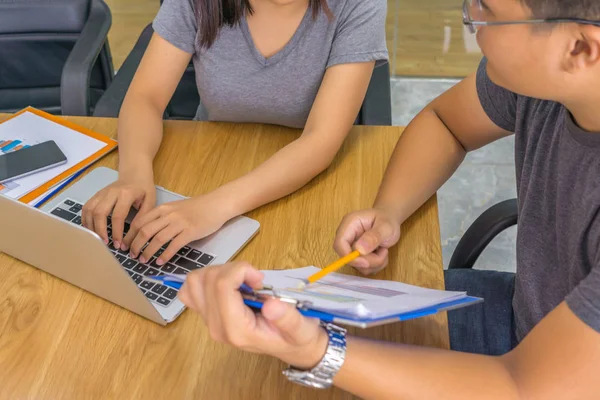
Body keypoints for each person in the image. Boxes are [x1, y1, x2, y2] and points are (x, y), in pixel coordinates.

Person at [178, 0, 600, 397]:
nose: (469, 22)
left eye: (485, 11)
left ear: (580, 47)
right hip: (523, 315)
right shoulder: (544, 81)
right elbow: (446, 122)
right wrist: (388, 210)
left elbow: (521, 387)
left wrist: (317, 353)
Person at [81, 0, 388, 266]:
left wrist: (213, 208)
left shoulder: (359, 5)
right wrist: (133, 173)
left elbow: (320, 140)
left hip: (306, 188)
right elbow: (145, 97)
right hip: (211, 162)